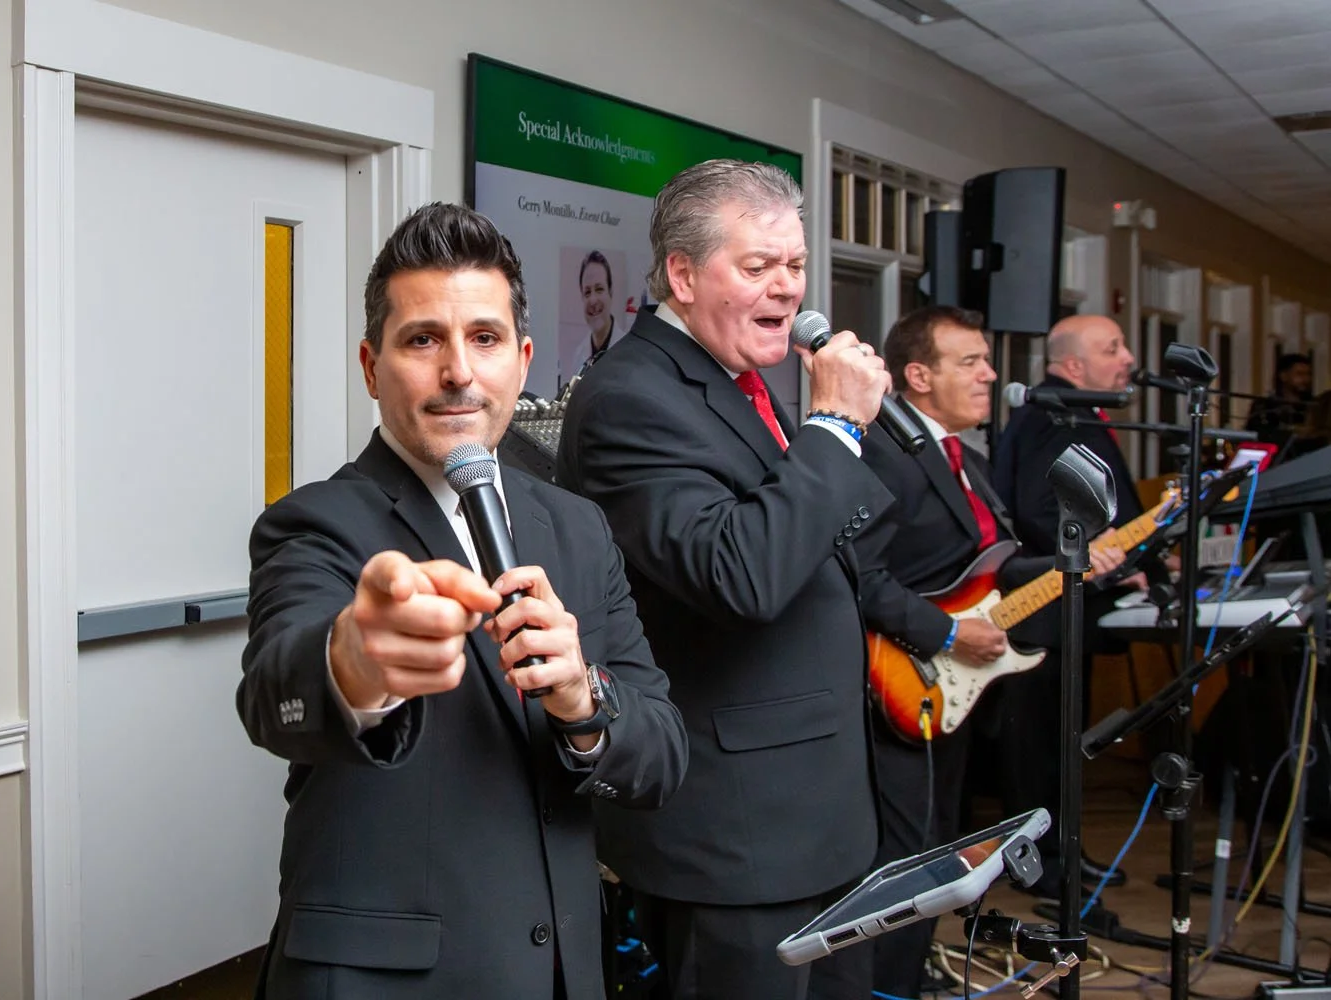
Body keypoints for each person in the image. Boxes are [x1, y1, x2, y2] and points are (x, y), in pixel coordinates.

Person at [237, 202, 688, 1000]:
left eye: (483, 339)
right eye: (423, 340)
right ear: (372, 367)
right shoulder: (314, 523)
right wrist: (353, 661)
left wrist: (585, 704)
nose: (458, 373)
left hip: (563, 972)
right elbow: (276, 697)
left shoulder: (580, 528)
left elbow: (661, 752)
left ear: (521, 359)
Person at [556, 159, 891, 1000]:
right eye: (757, 268)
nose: (787, 289)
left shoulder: (742, 382)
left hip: (815, 822)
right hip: (736, 840)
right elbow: (740, 575)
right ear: (680, 272)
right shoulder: (630, 396)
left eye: (796, 267)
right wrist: (838, 427)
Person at [856, 306, 1124, 996]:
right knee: (904, 857)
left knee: (939, 849)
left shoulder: (967, 459)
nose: (990, 374)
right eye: (969, 362)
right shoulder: (879, 450)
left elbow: (993, 572)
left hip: (953, 689)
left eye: (986, 360)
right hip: (899, 679)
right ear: (917, 375)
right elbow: (860, 576)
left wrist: (1077, 562)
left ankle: (908, 979)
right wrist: (946, 634)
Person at [990, 313, 1147, 898]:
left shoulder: (1066, 411)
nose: (1128, 357)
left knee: (1060, 748)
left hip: (1062, 612)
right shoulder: (1054, 416)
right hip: (1045, 611)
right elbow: (1042, 510)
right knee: (1042, 751)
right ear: (1073, 365)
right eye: (1114, 347)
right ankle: (1044, 865)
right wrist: (1112, 559)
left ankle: (1063, 856)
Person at [567, 250, 622, 381]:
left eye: (599, 289)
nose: (592, 300)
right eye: (587, 292)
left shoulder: (629, 350)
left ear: (611, 292)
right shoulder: (579, 355)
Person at [1245, 352, 1313, 451]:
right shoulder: (1265, 406)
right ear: (1283, 376)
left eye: (1308, 374)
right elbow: (1258, 436)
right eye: (1299, 374)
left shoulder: (1314, 406)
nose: (1305, 379)